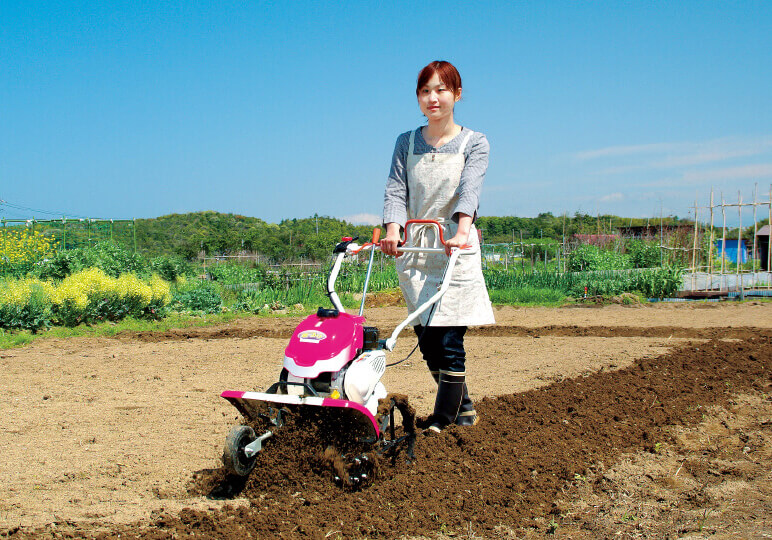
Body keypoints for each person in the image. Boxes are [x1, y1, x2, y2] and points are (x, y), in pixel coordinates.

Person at [381, 60, 495, 433]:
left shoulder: (474, 142)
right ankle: (464, 408)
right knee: (427, 339)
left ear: (456, 95)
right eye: (425, 91)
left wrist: (463, 230)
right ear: (418, 98)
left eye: (441, 90)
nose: (433, 98)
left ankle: (446, 418)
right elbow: (397, 190)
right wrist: (393, 229)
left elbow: (470, 189)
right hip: (417, 247)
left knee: (448, 338)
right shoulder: (406, 142)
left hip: (453, 247)